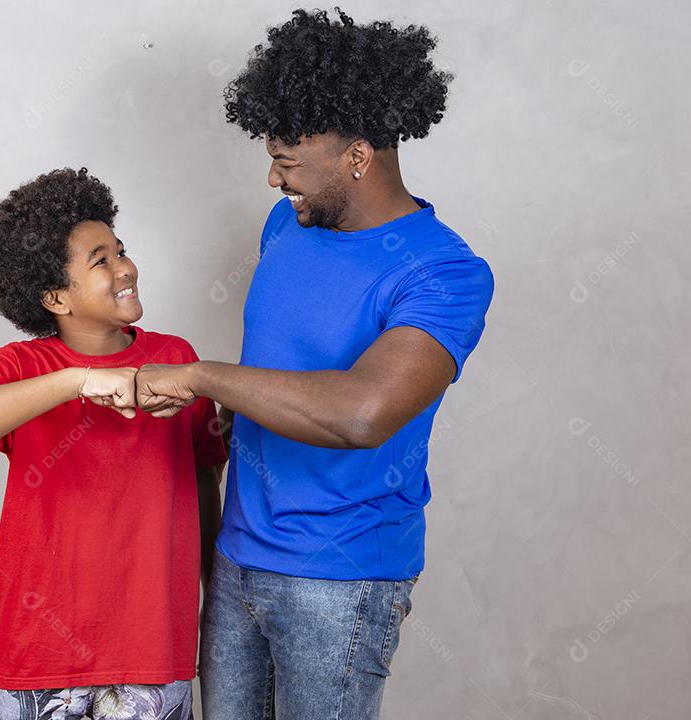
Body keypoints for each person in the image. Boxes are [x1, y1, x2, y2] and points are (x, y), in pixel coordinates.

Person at [131, 8, 496, 718]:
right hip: (236, 559)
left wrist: (202, 377)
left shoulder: (445, 273)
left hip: (339, 578)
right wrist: (221, 413)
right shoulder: (287, 226)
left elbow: (362, 414)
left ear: (357, 156)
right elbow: (283, 367)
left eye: (288, 162)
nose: (273, 179)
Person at [0, 167, 228, 720]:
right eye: (101, 261)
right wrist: (75, 382)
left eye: (121, 251)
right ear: (55, 298)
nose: (125, 268)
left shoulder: (176, 360)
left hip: (150, 649)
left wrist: (217, 598)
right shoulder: (23, 367)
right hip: (36, 654)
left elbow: (204, 480)